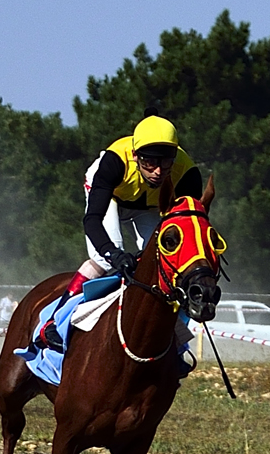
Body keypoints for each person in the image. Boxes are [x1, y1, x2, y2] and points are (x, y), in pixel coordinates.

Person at [37, 114, 203, 351]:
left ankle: (172, 340)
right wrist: (112, 253)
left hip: (148, 207)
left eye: (166, 162)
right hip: (112, 196)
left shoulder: (188, 175)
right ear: (135, 156)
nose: (158, 171)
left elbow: (187, 230)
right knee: (104, 260)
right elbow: (92, 220)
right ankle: (54, 321)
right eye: (149, 163)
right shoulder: (114, 161)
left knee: (163, 263)